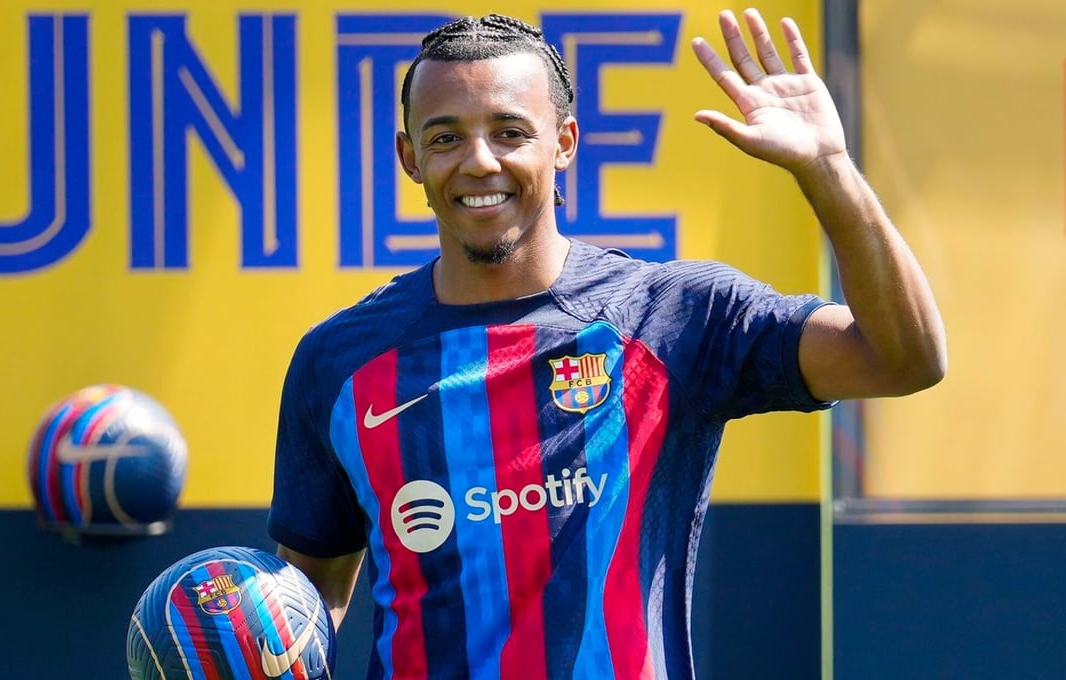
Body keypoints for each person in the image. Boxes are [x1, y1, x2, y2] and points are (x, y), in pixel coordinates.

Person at [268, 7, 945, 679]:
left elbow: (901, 360)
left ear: (563, 142)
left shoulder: (674, 317)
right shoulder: (338, 360)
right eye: (445, 138)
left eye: (510, 132)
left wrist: (828, 168)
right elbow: (307, 605)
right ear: (410, 157)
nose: (480, 161)